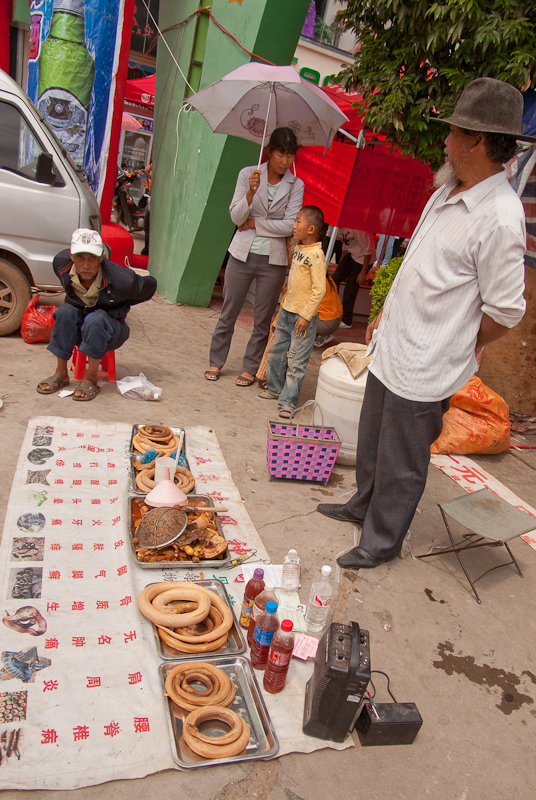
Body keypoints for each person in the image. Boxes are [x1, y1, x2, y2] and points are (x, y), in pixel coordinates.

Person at [317, 77, 531, 569]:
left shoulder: (500, 215)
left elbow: (506, 310)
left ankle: (382, 540)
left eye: (453, 131)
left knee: (403, 458)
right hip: (395, 344)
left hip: (430, 359)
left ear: (477, 141)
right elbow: (417, 263)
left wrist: (459, 341)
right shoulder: (447, 190)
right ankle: (361, 505)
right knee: (372, 438)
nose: (445, 140)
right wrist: (385, 313)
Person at [205, 127, 304, 386]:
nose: (285, 161)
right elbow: (236, 217)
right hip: (241, 254)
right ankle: (216, 361)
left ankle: (250, 367)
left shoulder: (296, 185)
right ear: (270, 151)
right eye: (281, 154)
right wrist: (250, 192)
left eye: (291, 156)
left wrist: (255, 224)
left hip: (274, 260)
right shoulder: (248, 174)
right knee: (229, 311)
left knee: (262, 318)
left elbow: (290, 226)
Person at [37, 228, 157, 400]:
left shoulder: (122, 279)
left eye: (92, 258)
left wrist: (123, 302)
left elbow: (150, 287)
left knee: (96, 319)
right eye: (80, 258)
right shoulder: (61, 264)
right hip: (79, 328)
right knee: (64, 312)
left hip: (111, 330)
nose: (86, 266)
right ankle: (61, 373)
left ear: (101, 257)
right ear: (71, 256)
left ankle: (91, 378)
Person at [259, 205, 326, 417]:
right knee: (275, 353)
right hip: (287, 312)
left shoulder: (316, 255)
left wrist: (306, 316)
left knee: (296, 361)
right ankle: (274, 388)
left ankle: (288, 401)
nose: (294, 225)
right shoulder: (298, 248)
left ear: (311, 229)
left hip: (302, 318)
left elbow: (319, 289)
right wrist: (282, 307)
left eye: (298, 221)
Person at [332, 228, 376, 328]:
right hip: (351, 255)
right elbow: (345, 246)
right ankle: (334, 310)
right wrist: (341, 265)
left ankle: (346, 321)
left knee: (350, 288)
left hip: (364, 259)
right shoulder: (339, 228)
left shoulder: (358, 229)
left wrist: (363, 272)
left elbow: (368, 250)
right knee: (334, 279)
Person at [314, 273, 344, 347]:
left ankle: (308, 338)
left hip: (326, 323)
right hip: (335, 320)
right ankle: (321, 336)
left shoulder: (315, 280)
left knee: (298, 313)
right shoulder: (328, 278)